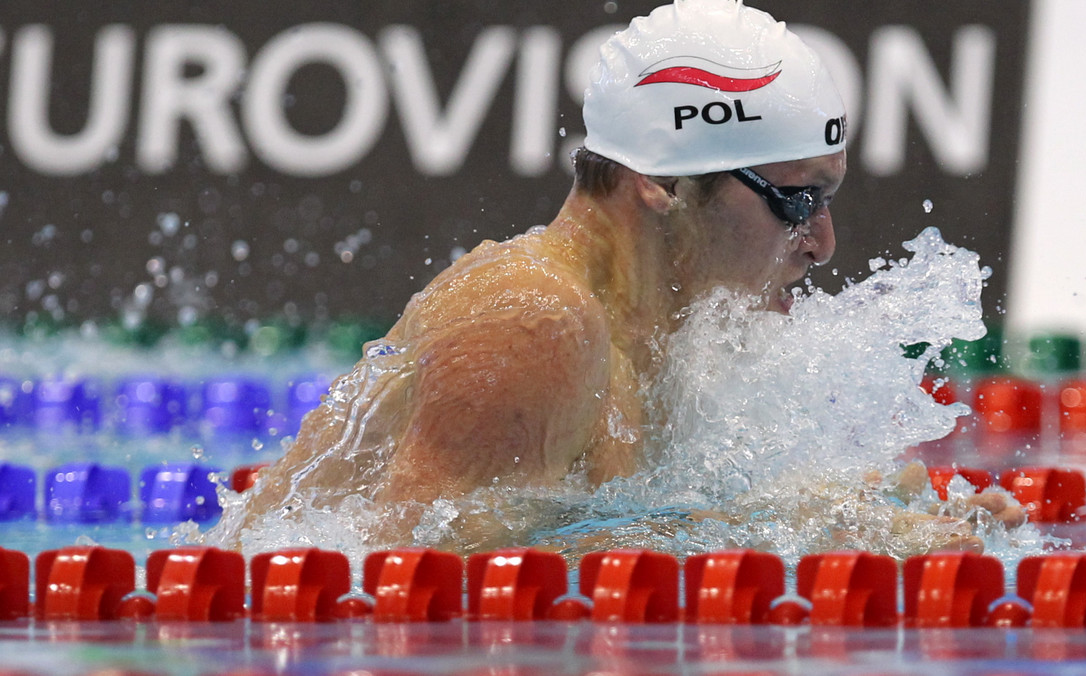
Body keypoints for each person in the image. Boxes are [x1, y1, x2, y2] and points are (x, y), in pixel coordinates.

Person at [223, 0, 1019, 554]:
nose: (822, 243)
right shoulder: (534, 324)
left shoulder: (659, 324)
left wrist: (841, 518)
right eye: (794, 199)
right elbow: (408, 582)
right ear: (663, 186)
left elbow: (593, 523)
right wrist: (800, 545)